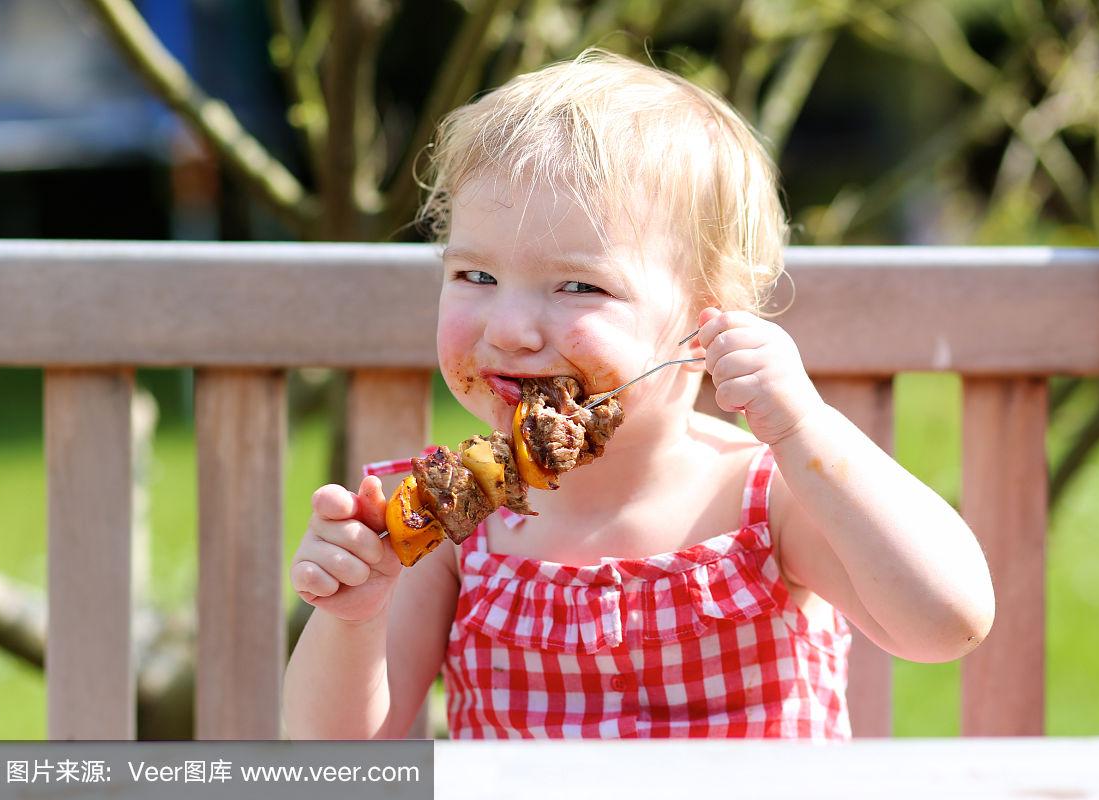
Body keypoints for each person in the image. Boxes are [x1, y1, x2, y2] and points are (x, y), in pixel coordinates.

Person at [282, 48, 994, 740]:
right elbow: (334, 757)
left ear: (704, 320)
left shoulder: (766, 501)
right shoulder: (450, 526)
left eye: (579, 286)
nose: (510, 329)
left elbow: (945, 621)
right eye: (476, 276)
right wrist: (355, 616)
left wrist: (806, 428)